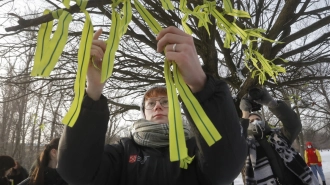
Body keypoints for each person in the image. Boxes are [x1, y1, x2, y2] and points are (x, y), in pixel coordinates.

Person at [57, 26, 247, 185]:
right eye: (151, 103)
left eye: (165, 102)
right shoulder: (123, 152)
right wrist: (92, 91)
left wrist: (201, 84)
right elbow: (77, 173)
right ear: (144, 112)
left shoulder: (196, 148)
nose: (157, 107)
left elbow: (226, 167)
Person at [239, 88, 319, 185]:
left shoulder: (279, 135)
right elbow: (235, 142)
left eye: (257, 119)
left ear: (263, 121)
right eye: (250, 121)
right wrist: (245, 114)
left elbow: (294, 125)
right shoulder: (246, 144)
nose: (255, 122)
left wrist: (272, 104)